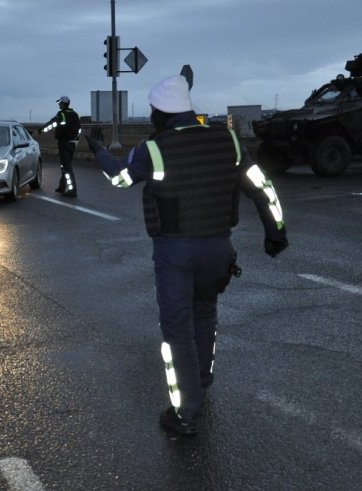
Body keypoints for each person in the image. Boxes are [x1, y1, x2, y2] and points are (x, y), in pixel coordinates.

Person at [85, 75, 288, 436]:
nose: (151, 117)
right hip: (218, 248)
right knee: (205, 312)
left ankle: (184, 412)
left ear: (161, 113)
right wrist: (276, 232)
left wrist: (99, 151)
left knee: (176, 330)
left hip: (176, 252)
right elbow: (262, 186)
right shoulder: (228, 139)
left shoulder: (154, 148)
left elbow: (120, 179)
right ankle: (203, 378)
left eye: (152, 111)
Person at [38, 96, 81, 197]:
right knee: (65, 165)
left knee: (66, 167)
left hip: (64, 143)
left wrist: (40, 131)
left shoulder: (61, 114)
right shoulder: (75, 114)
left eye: (60, 103)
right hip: (72, 144)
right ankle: (62, 186)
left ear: (64, 104)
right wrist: (77, 140)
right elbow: (79, 129)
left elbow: (52, 124)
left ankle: (72, 190)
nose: (59, 104)